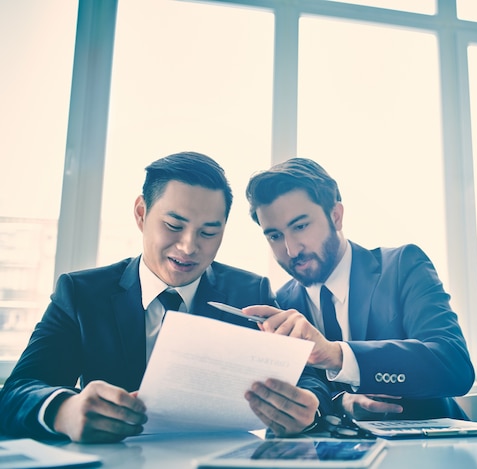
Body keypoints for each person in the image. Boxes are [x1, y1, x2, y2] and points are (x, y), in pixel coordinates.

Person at [0, 152, 329, 443]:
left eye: (208, 232)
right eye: (174, 225)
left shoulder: (249, 292)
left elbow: (309, 378)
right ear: (142, 213)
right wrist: (64, 410)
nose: (189, 247)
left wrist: (307, 410)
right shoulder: (82, 294)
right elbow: (16, 393)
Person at [243, 157, 475, 421]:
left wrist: (339, 356)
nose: (291, 249)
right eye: (274, 235)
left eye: (300, 226)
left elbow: (454, 366)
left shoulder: (402, 266)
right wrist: (341, 403)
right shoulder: (282, 303)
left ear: (336, 216)